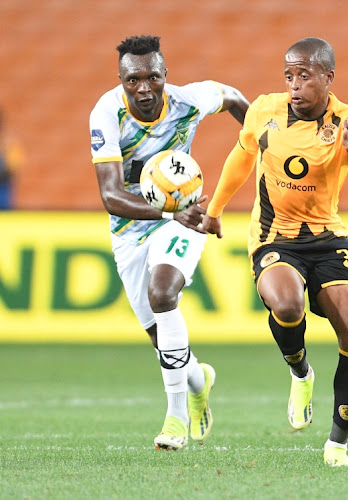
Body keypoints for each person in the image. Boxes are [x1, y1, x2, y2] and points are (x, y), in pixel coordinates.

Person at [201, 37, 348, 466]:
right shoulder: (264, 110)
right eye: (288, 75)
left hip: (327, 238)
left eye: (304, 76)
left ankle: (337, 445)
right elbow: (240, 157)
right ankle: (301, 371)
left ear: (328, 77)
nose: (294, 85)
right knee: (286, 304)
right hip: (274, 237)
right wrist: (214, 211)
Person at [89, 35, 248, 450]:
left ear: (165, 76)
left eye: (152, 77)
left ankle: (175, 418)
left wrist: (263, 149)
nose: (144, 88)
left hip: (184, 217)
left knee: (162, 293)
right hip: (131, 231)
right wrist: (166, 213)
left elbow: (233, 98)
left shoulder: (189, 100)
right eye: (133, 79)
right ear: (121, 80)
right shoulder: (107, 114)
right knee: (164, 341)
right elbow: (110, 196)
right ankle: (200, 380)